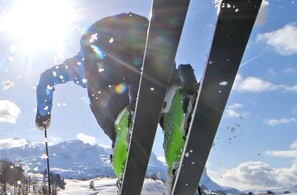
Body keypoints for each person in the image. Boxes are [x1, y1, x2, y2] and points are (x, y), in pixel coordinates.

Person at [34, 12, 198, 184]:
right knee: (165, 84)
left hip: (97, 40)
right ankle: (179, 105)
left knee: (102, 96)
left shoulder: (79, 63)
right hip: (146, 35)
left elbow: (46, 78)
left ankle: (122, 122)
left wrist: (43, 116)